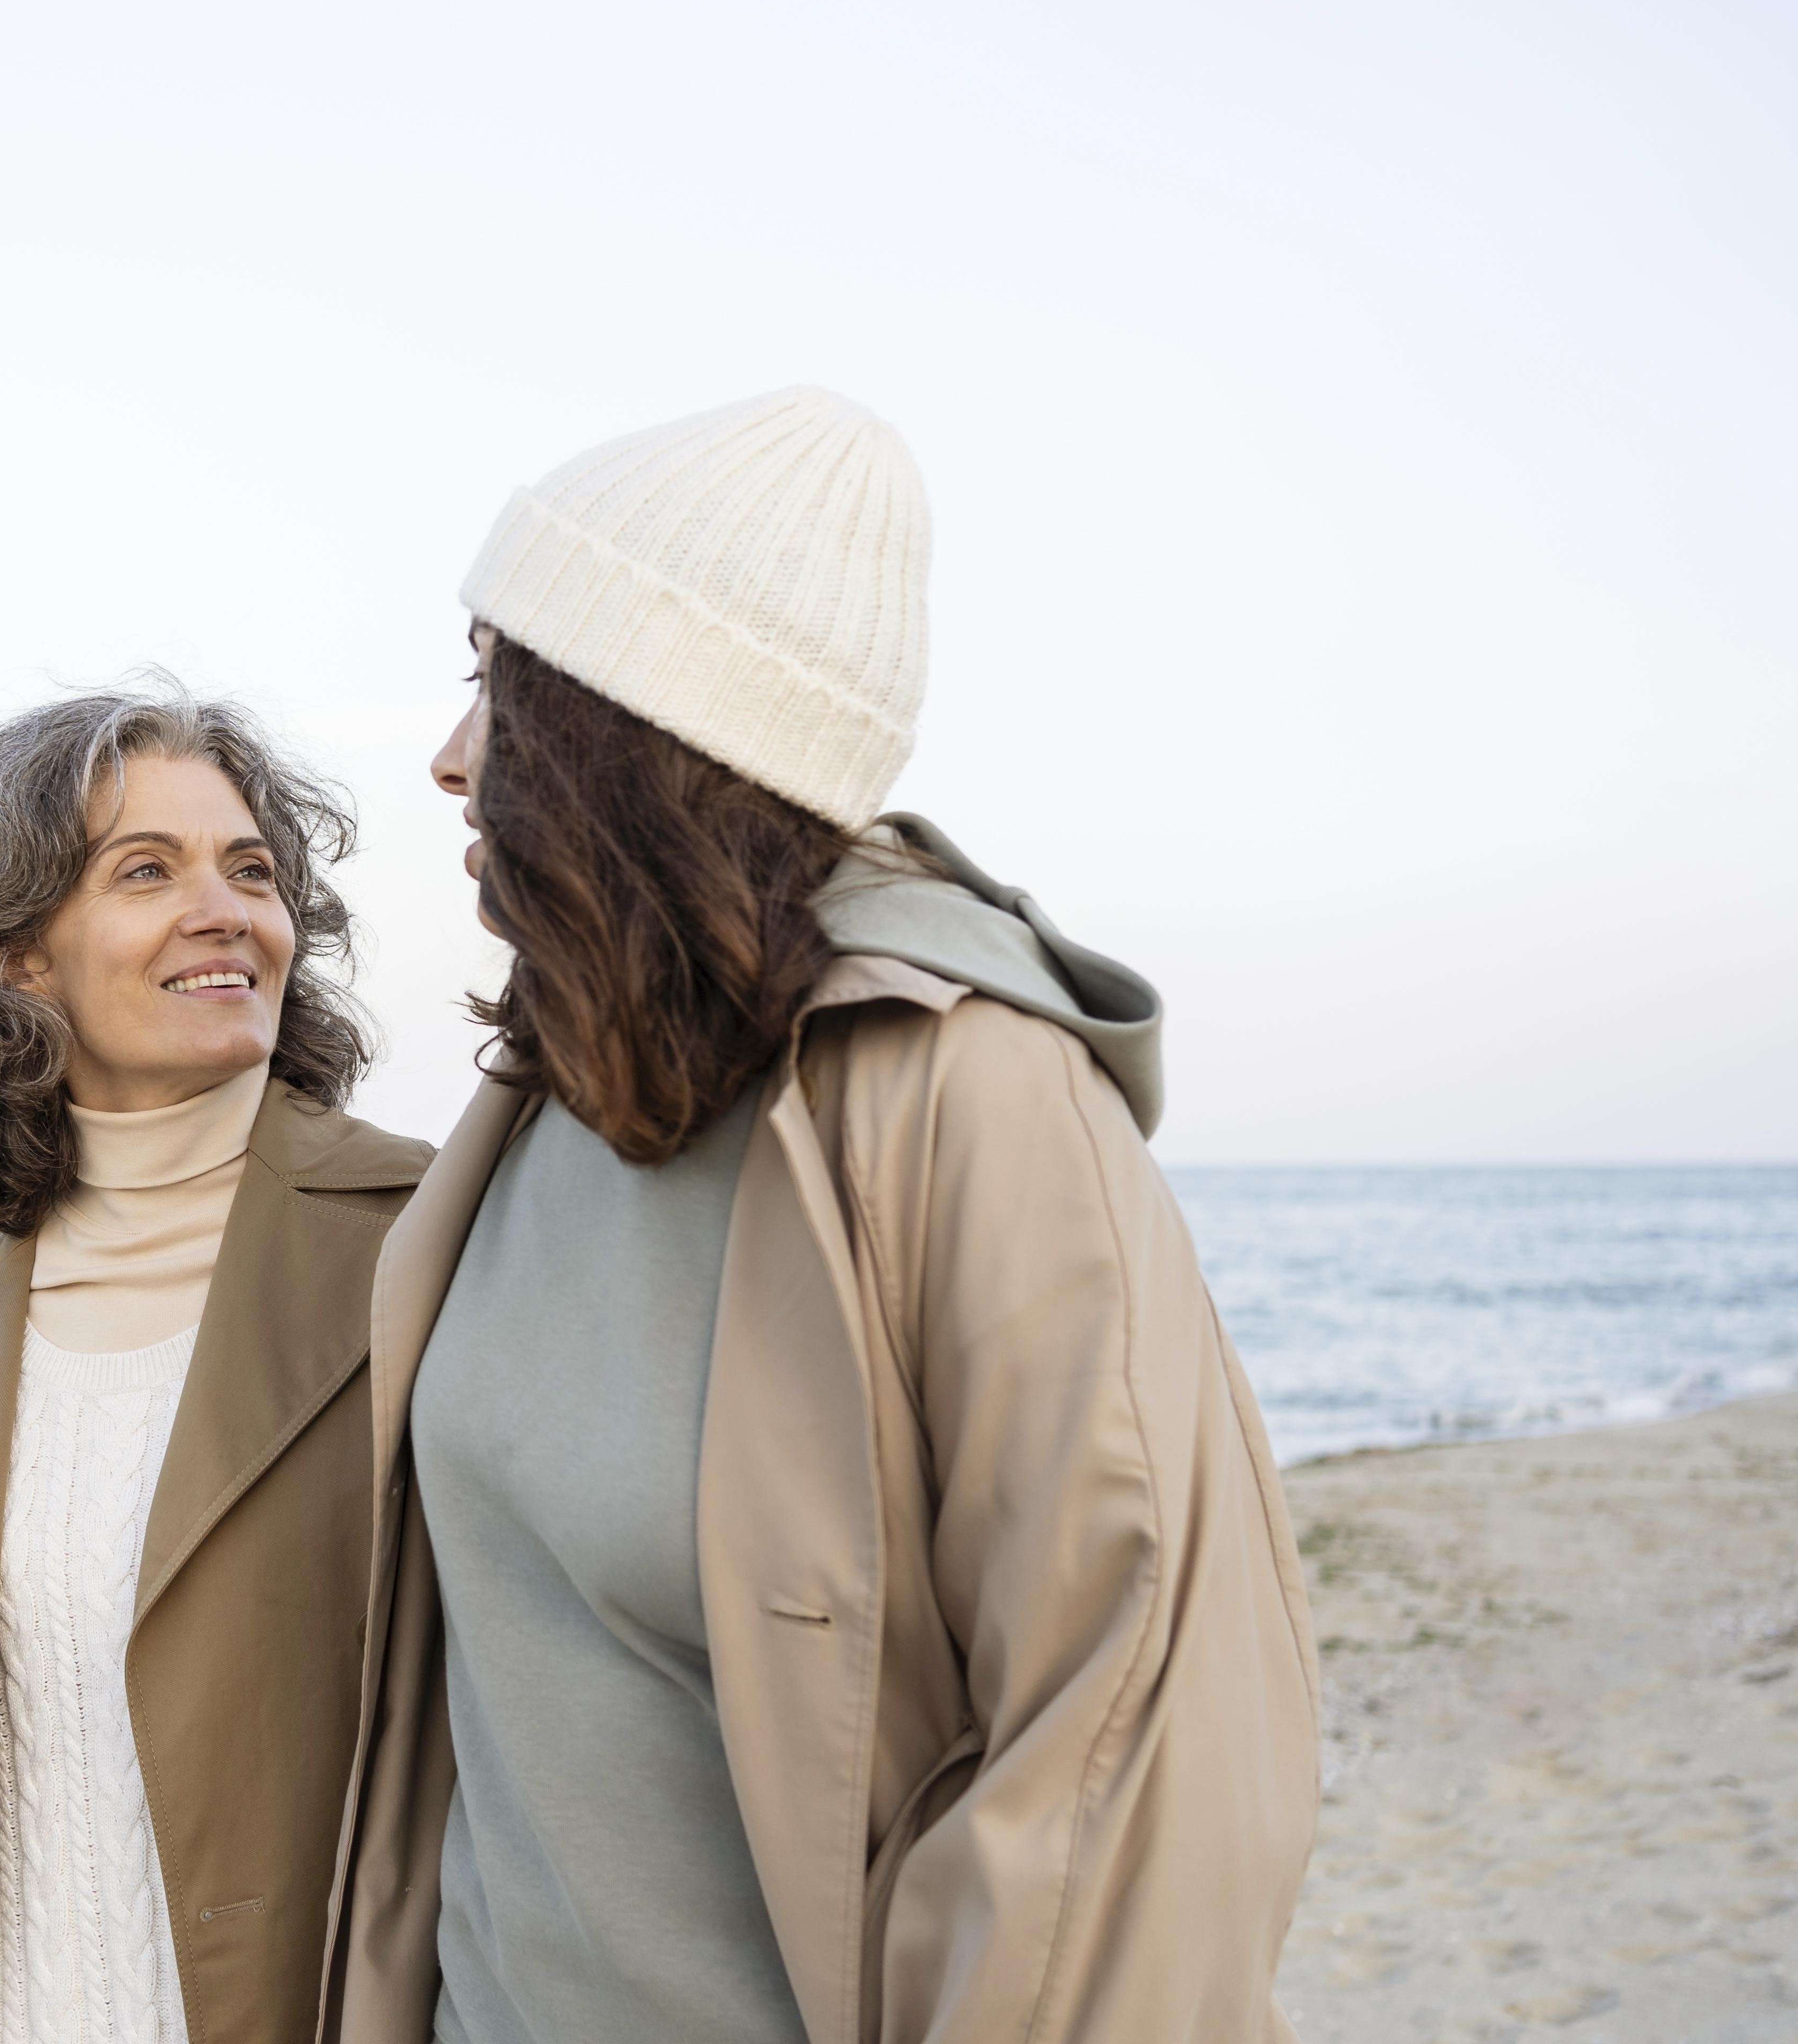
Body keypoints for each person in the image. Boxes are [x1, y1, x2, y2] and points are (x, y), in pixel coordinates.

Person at [326, 389, 1322, 2043]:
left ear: (639, 730)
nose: (449, 758)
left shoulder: (967, 1095)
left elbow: (1133, 1765)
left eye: (500, 685)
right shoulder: (542, 1099)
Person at [0, 685, 435, 2044]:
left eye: (250, 870)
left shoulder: (425, 1247)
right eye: (148, 870)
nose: (227, 909)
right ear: (18, 953)